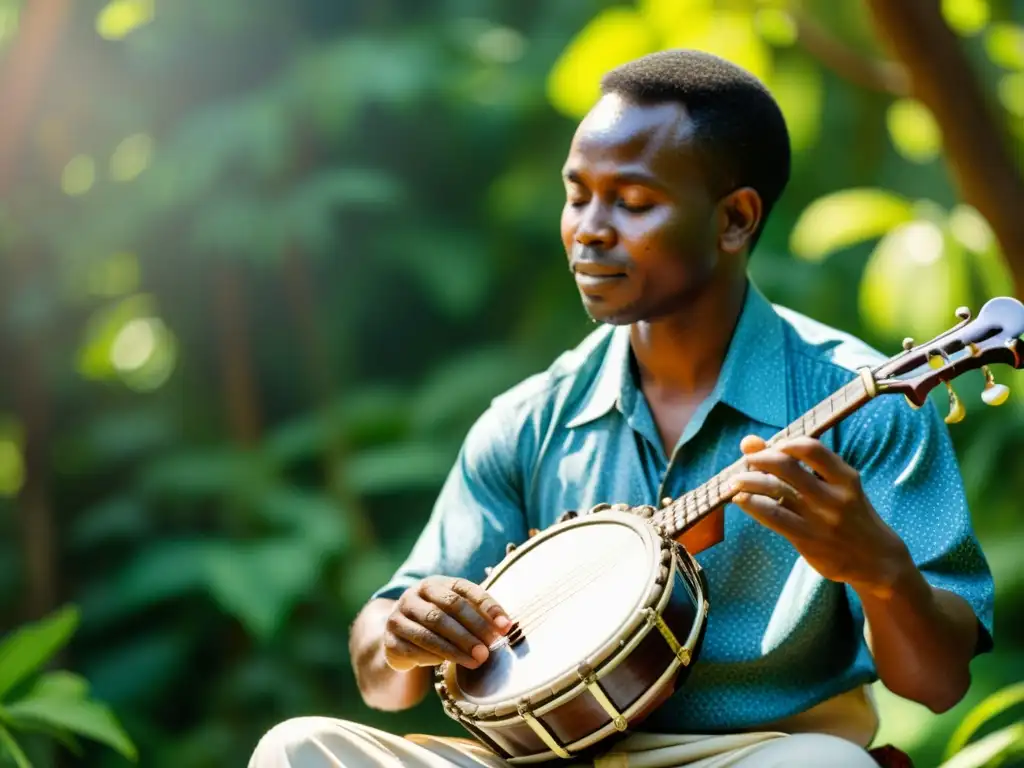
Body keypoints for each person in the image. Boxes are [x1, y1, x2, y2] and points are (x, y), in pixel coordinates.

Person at [249, 49, 993, 768]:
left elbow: (937, 684)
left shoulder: (860, 403)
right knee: (297, 750)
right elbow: (382, 676)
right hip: (535, 759)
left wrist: (880, 569)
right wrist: (402, 632)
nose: (590, 229)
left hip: (752, 756)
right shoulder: (530, 419)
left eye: (633, 202)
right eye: (577, 195)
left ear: (734, 220)